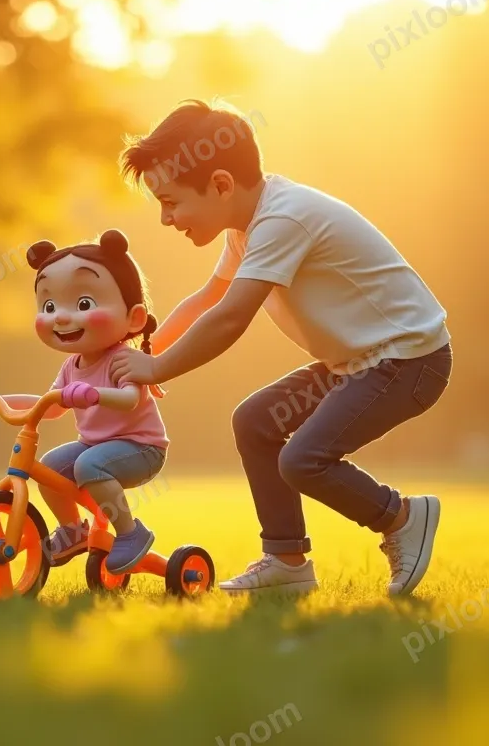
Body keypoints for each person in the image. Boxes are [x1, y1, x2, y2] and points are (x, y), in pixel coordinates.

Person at [109, 99, 453, 597]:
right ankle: (286, 560)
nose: (166, 218)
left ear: (222, 185)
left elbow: (230, 317)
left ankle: (401, 517)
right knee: (255, 420)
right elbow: (208, 298)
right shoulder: (247, 224)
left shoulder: (283, 220)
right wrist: (134, 351)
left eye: (171, 201)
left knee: (303, 459)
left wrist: (156, 366)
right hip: (358, 363)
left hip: (409, 360)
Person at [0, 229, 168, 575]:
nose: (61, 317)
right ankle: (73, 530)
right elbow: (51, 404)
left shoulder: (124, 360)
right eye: (50, 306)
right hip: (94, 447)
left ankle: (131, 533)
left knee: (89, 466)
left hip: (141, 448)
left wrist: (94, 394)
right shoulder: (72, 365)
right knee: (51, 466)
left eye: (84, 304)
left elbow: (131, 399)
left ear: (133, 318)